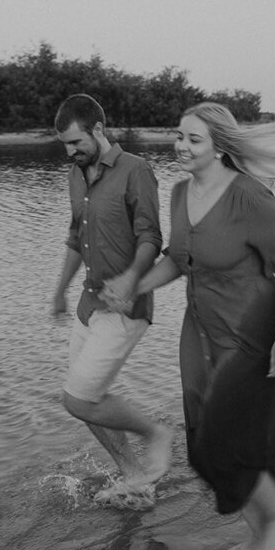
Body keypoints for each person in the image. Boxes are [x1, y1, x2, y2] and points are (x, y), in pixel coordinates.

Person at [134, 101, 275, 550]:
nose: (182, 146)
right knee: (200, 442)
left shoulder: (248, 197)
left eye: (194, 139)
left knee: (222, 436)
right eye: (179, 136)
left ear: (219, 147)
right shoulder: (178, 193)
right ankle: (258, 533)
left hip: (250, 326)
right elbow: (178, 258)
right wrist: (133, 287)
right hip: (200, 325)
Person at [52, 93, 173, 504]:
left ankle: (156, 433)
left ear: (98, 130)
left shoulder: (135, 170)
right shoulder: (75, 174)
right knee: (85, 400)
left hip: (125, 309)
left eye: (75, 142)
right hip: (89, 306)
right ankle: (135, 476)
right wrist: (59, 291)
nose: (70, 152)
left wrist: (130, 278)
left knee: (79, 399)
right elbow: (74, 237)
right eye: (65, 145)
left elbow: (151, 238)